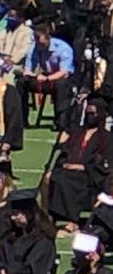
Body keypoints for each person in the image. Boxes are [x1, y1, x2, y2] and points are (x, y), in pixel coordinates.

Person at [45, 97, 110, 234]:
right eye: (88, 113)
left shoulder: (107, 137)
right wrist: (64, 163)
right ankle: (49, 217)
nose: (90, 117)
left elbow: (106, 163)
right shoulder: (78, 132)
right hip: (69, 169)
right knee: (53, 177)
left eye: (93, 114)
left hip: (89, 174)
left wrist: (83, 167)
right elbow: (65, 151)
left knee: (68, 181)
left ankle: (72, 220)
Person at [19, 24, 75, 131]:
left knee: (62, 84)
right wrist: (28, 73)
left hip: (62, 78)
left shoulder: (62, 48)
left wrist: (48, 78)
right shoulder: (33, 48)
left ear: (48, 38)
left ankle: (60, 122)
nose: (39, 46)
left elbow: (64, 72)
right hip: (44, 77)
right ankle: (22, 119)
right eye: (37, 43)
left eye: (42, 43)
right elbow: (29, 67)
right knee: (21, 82)